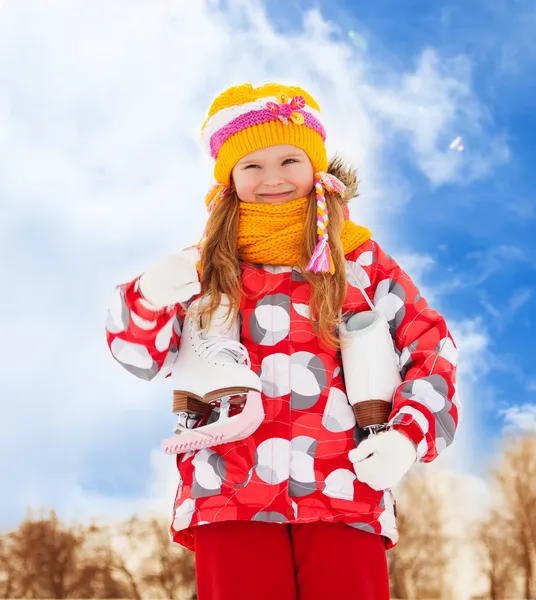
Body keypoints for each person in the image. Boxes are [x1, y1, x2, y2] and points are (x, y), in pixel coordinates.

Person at [106, 83, 459, 600]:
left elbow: (430, 346)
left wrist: (408, 434)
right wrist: (148, 297)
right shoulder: (205, 266)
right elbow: (139, 356)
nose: (272, 178)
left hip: (346, 488)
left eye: (289, 160)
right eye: (251, 165)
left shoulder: (361, 263)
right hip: (229, 490)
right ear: (229, 177)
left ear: (316, 167)